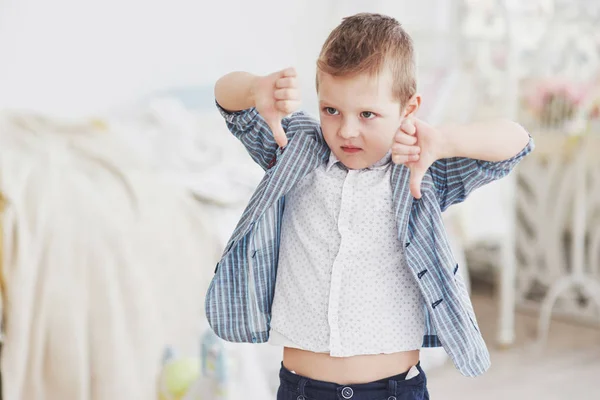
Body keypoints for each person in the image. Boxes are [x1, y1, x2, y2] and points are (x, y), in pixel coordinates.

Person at [206, 12, 533, 400]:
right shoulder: (295, 151)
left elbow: (517, 141)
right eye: (331, 110)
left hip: (394, 391)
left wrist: (443, 141)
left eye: (367, 115)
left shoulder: (420, 169)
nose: (346, 130)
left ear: (409, 109)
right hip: (302, 390)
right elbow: (227, 98)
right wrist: (256, 89)